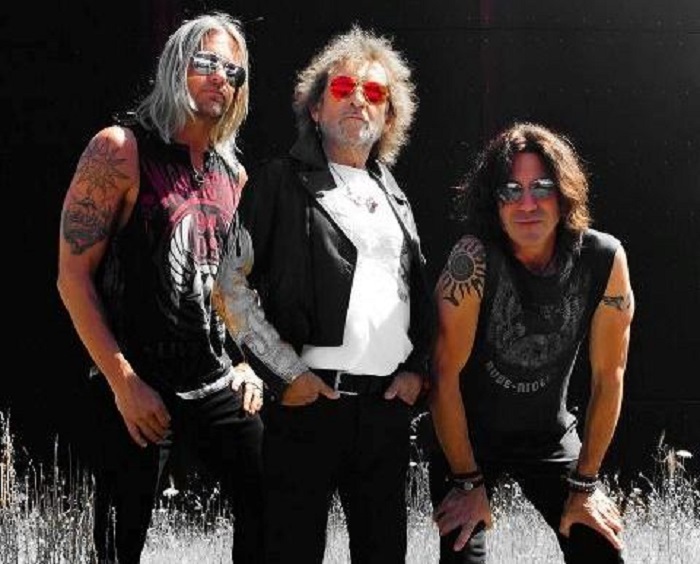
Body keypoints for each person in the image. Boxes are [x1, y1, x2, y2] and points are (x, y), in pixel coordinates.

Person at [212, 25, 434, 564]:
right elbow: (228, 283)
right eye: (343, 88)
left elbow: (416, 295)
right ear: (315, 107)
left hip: (384, 413)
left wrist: (417, 373)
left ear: (389, 115)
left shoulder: (395, 193)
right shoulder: (277, 181)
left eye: (374, 92)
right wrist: (285, 374)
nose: (359, 98)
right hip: (308, 407)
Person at [57, 13, 265, 564]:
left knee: (269, 496)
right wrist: (123, 382)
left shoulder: (233, 175)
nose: (220, 76)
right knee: (117, 541)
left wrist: (246, 363)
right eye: (207, 62)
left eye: (233, 71)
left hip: (210, 379)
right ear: (176, 65)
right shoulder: (120, 150)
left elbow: (232, 287)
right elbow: (72, 277)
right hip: (135, 382)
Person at [429, 121, 635, 563]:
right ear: (494, 201)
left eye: (542, 187)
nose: (527, 203)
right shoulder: (472, 260)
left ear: (564, 193)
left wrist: (585, 485)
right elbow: (443, 377)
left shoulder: (603, 258)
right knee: (463, 553)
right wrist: (467, 481)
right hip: (469, 437)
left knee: (601, 551)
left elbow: (609, 377)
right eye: (511, 190)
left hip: (549, 436)